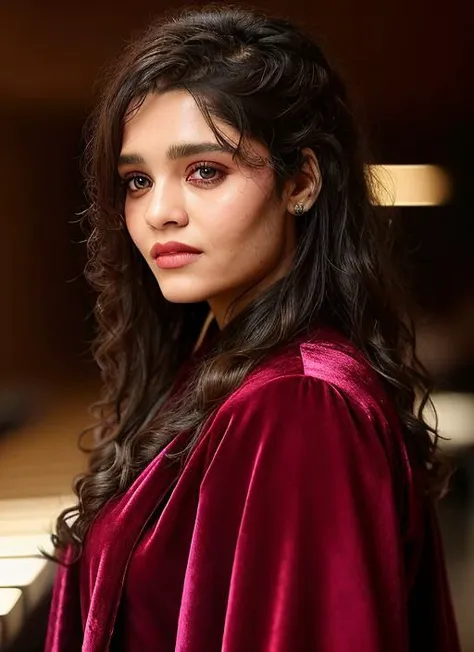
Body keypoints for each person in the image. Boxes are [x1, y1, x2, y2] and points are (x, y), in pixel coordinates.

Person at [44, 4, 460, 651]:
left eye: (204, 171)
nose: (159, 212)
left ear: (300, 181)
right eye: (136, 180)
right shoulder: (222, 365)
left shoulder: (301, 405)